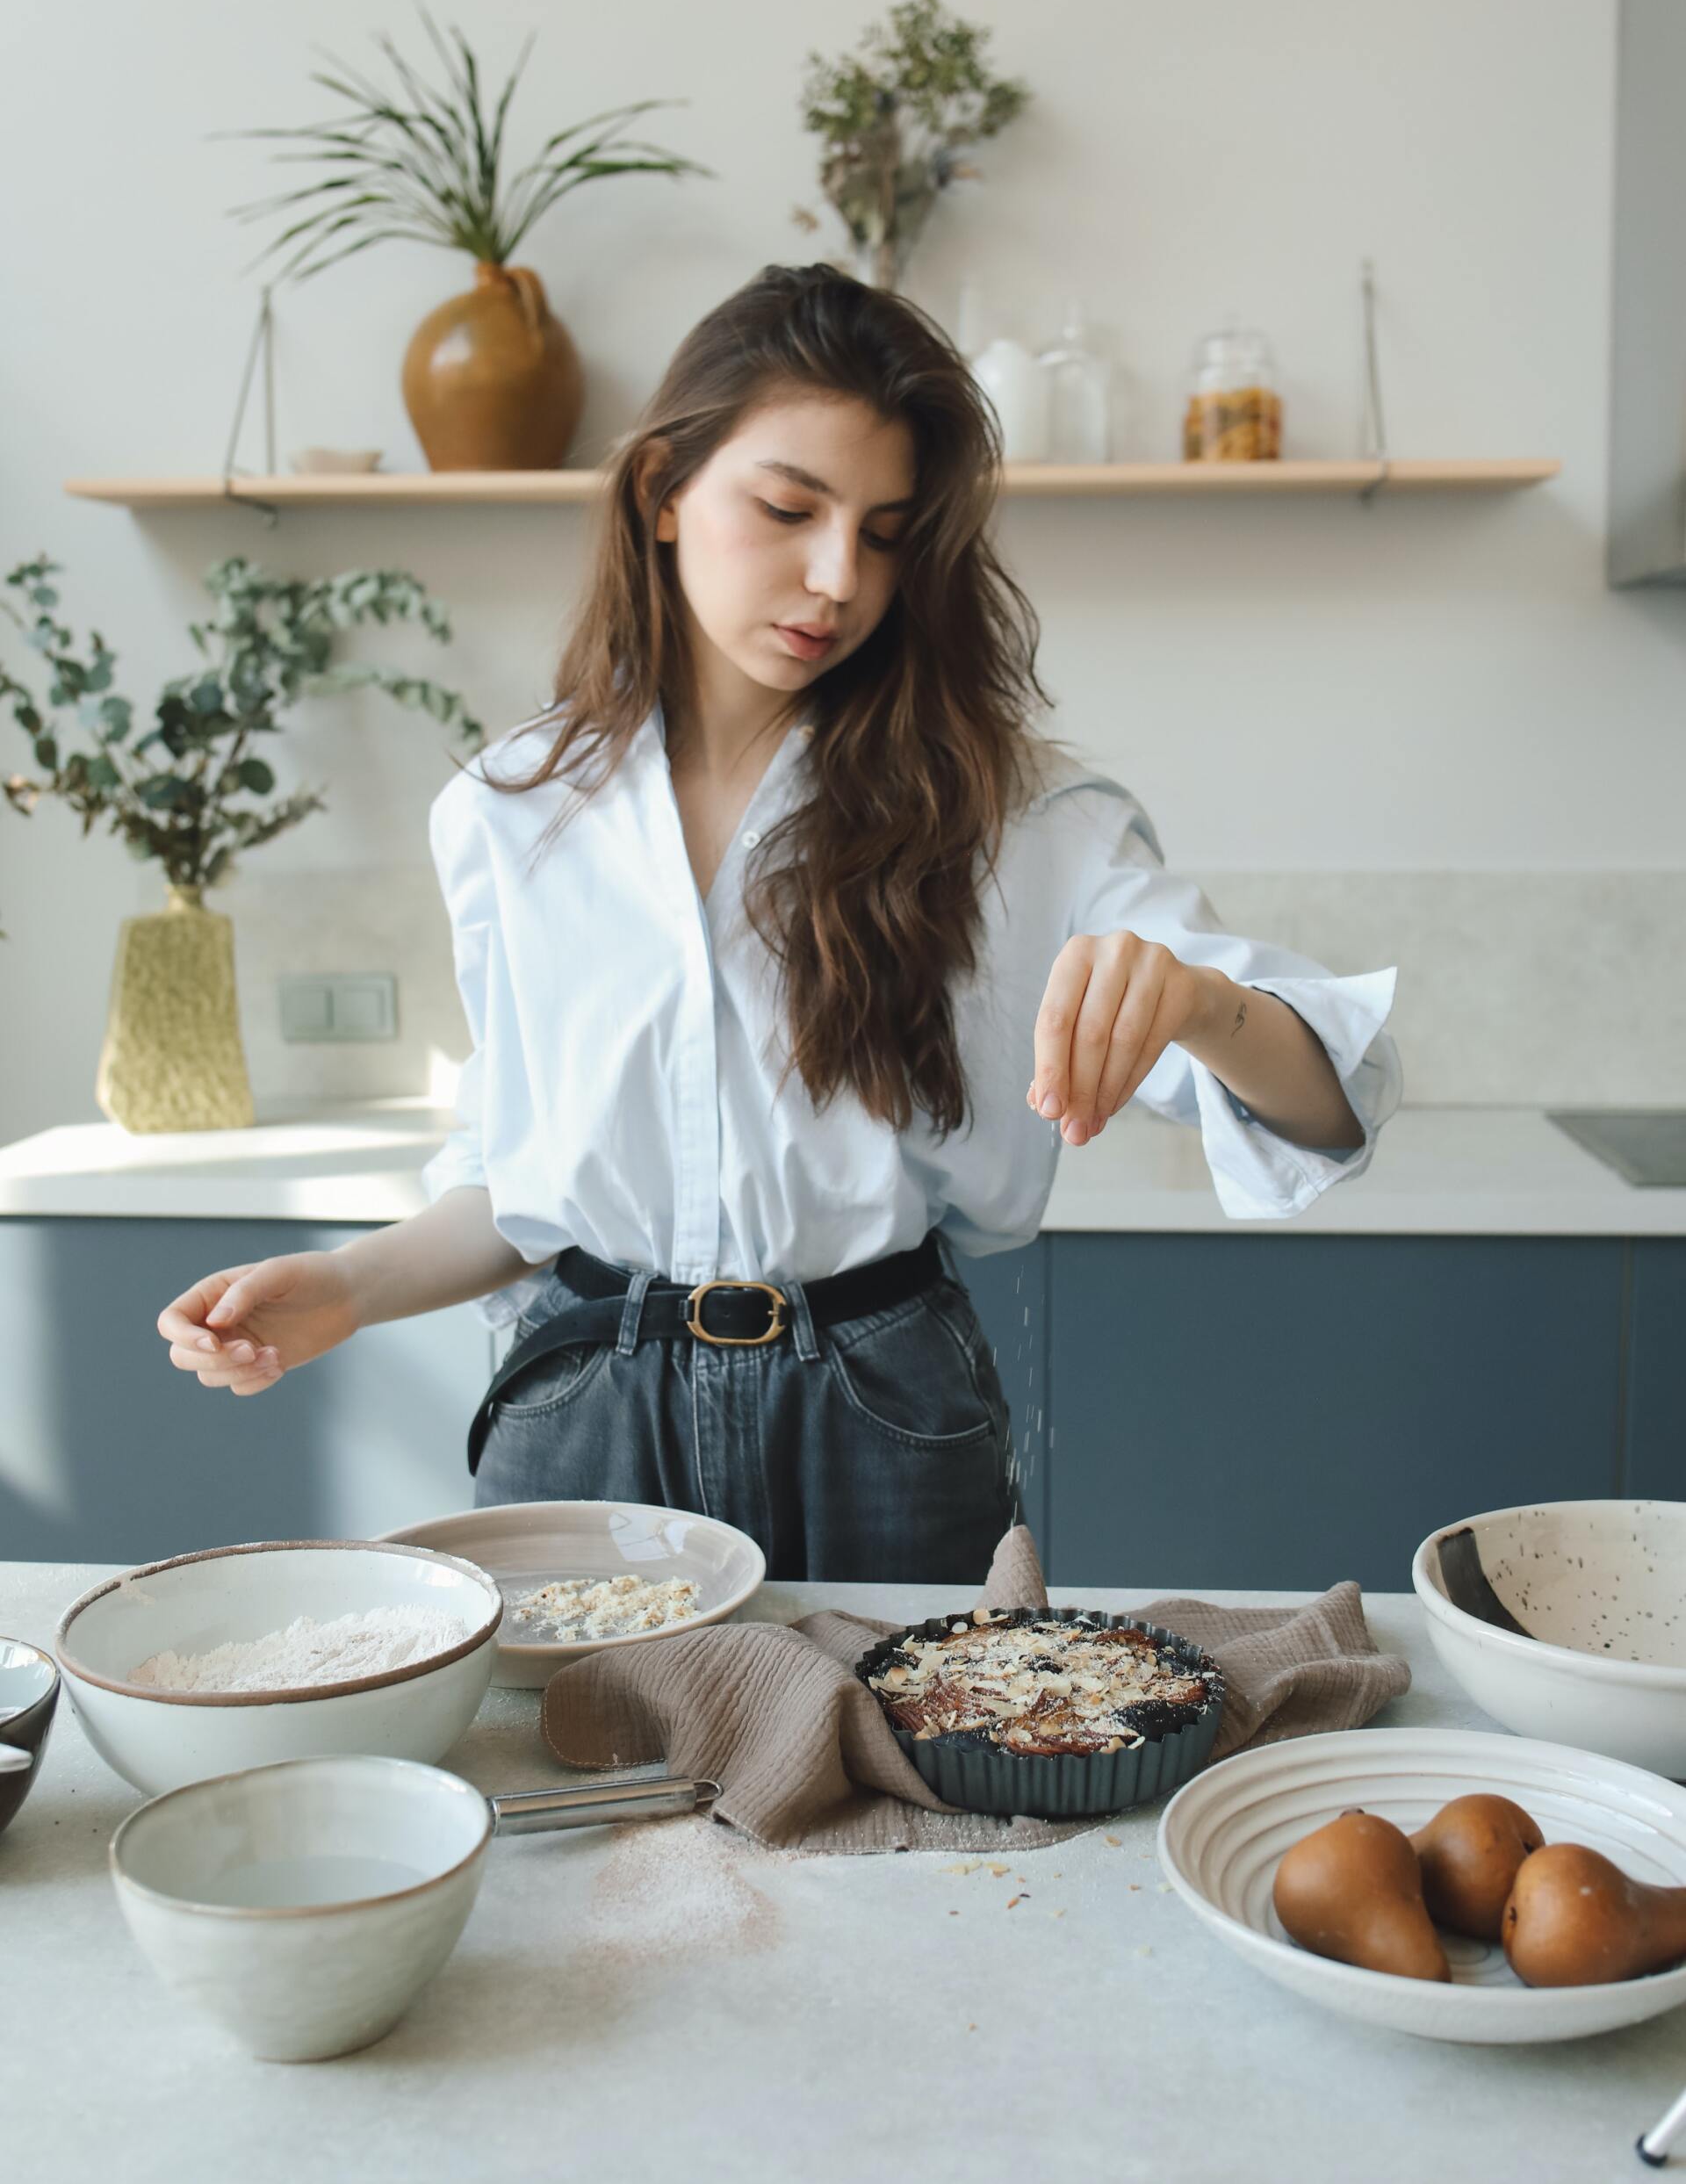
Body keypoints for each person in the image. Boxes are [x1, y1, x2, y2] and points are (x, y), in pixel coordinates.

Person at [156, 262, 1401, 1583]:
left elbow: (1330, 1101)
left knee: (914, 1782)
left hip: (885, 1411)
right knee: (564, 1784)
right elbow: (519, 1183)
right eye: (789, 508)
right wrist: (351, 1288)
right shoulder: (508, 815)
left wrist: (1201, 1005)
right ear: (663, 493)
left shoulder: (1018, 817)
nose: (835, 578)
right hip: (582, 1410)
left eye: (882, 533)